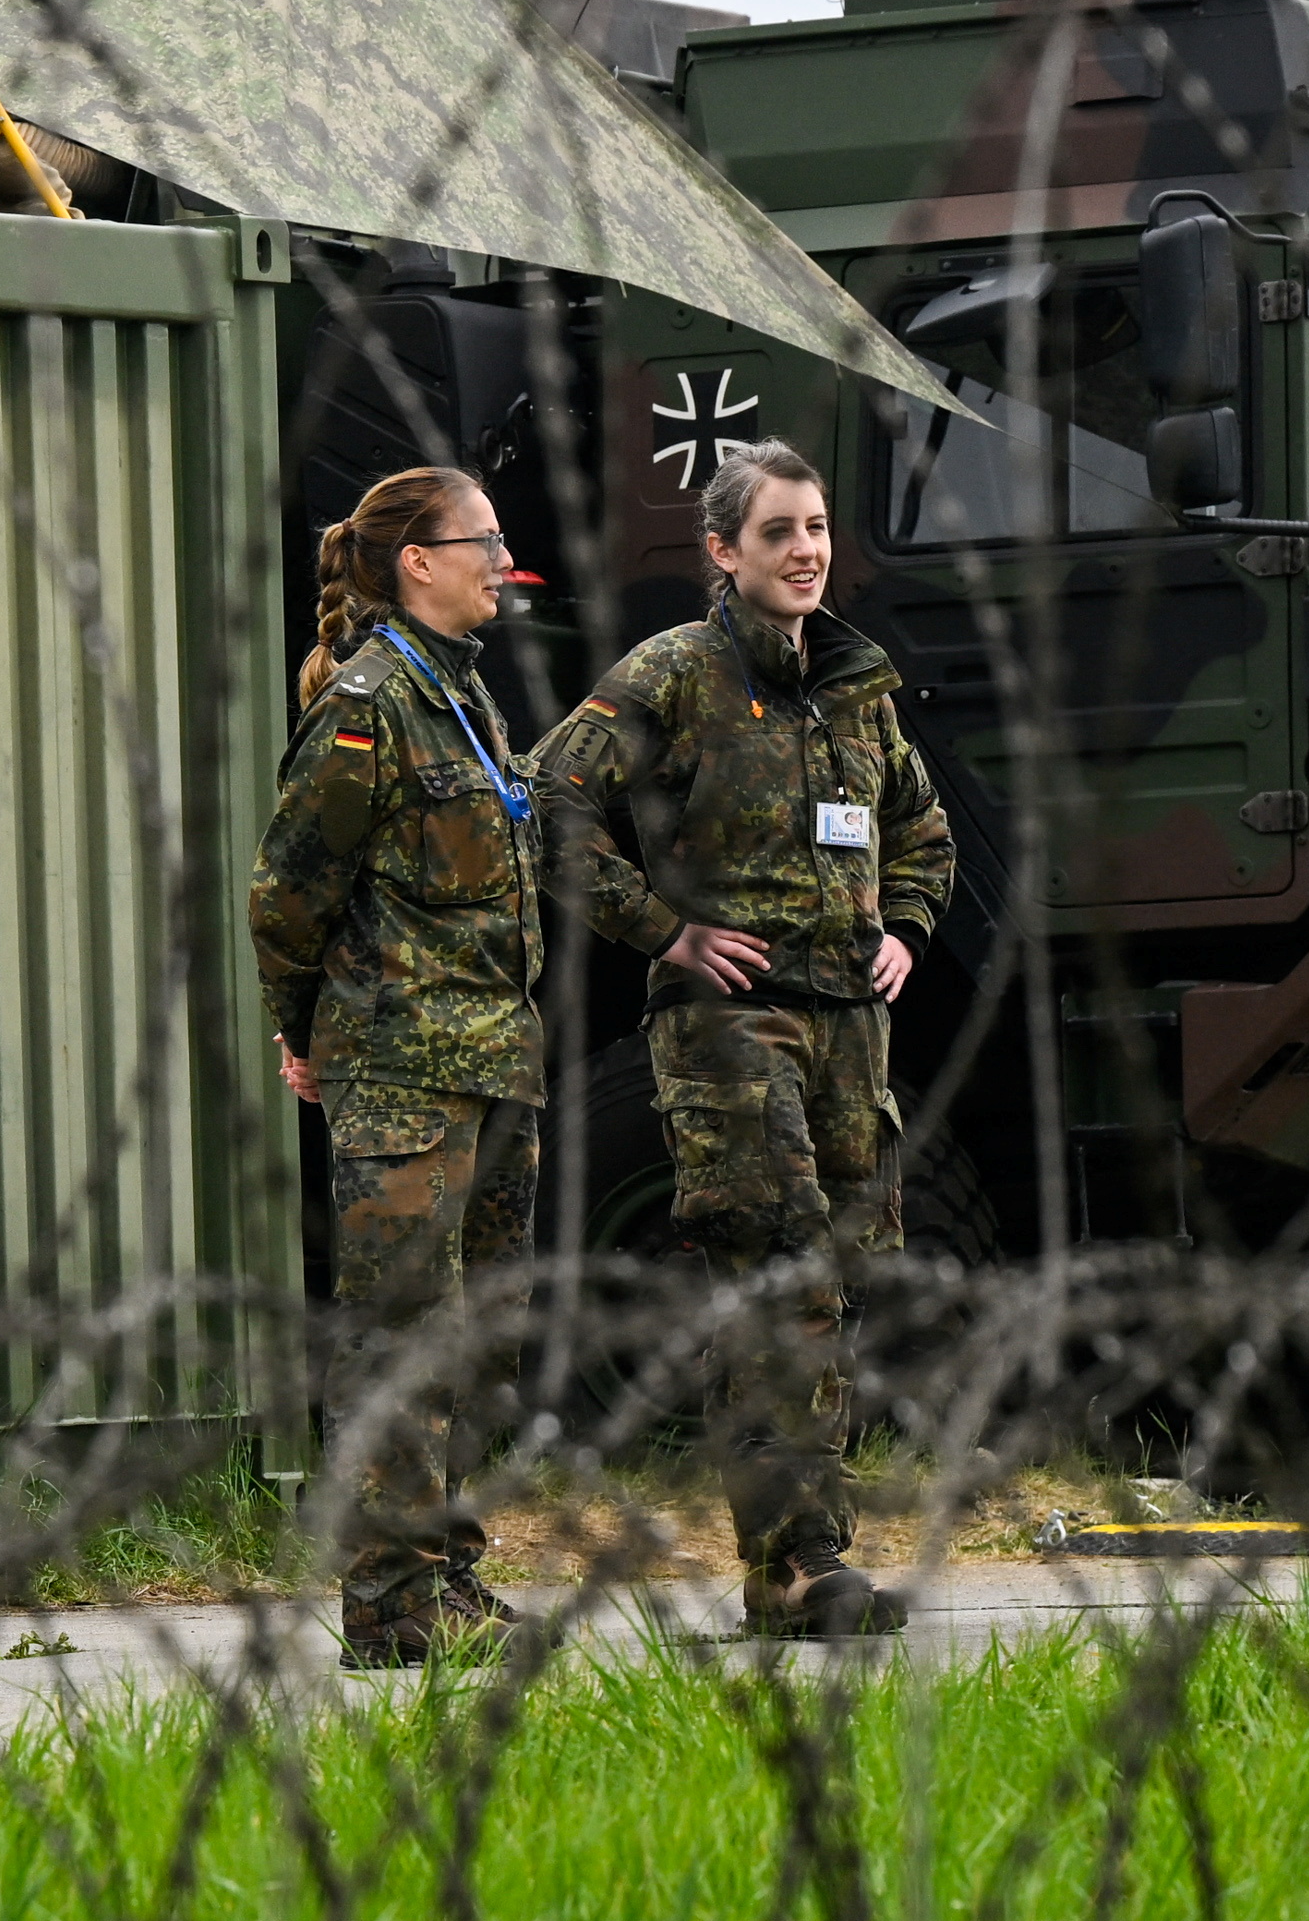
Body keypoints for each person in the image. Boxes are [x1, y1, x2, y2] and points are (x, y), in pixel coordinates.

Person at [528, 439, 950, 1633]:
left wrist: (904, 929)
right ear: (722, 551)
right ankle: (798, 1560)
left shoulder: (852, 686)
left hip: (847, 1032)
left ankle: (798, 1561)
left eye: (817, 527)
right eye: (779, 531)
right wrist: (662, 928)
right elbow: (550, 797)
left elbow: (922, 830)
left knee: (838, 1286)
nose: (806, 549)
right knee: (783, 1280)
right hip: (731, 1028)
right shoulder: (674, 675)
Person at [250, 464, 545, 1668]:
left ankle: (448, 1567)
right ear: (416, 561)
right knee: (400, 1332)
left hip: (494, 1061)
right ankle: (387, 1600)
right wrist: (301, 1028)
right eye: (481, 541)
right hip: (400, 1067)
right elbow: (286, 894)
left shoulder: (466, 699)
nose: (498, 559)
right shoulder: (367, 707)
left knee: (482, 1334)